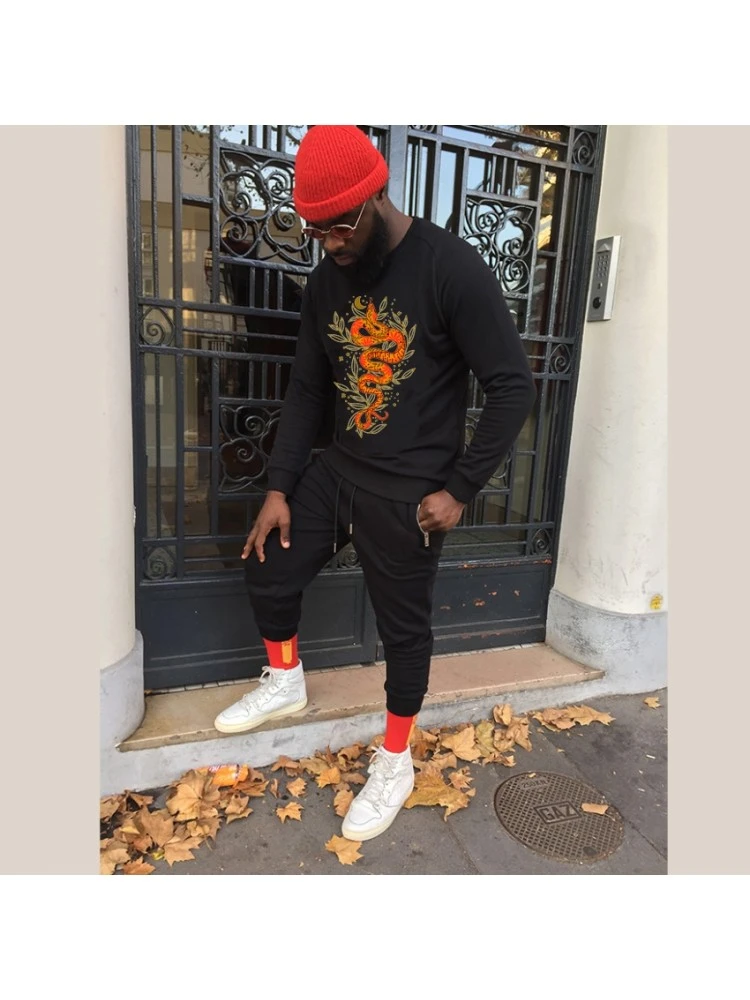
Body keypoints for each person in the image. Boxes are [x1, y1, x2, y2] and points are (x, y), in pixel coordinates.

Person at [214, 125, 536, 842]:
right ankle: (285, 680)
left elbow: (513, 386)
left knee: (403, 632)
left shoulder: (451, 267)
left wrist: (460, 488)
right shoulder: (327, 279)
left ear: (376, 197)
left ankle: (395, 760)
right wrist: (279, 488)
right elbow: (307, 389)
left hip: (410, 492)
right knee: (269, 564)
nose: (328, 243)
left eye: (338, 226)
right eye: (314, 230)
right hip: (338, 469)